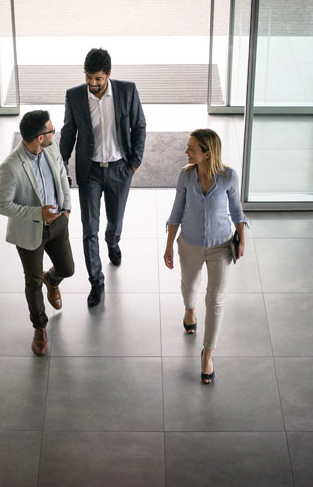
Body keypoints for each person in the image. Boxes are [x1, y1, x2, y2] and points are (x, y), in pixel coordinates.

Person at [60, 48, 146, 307]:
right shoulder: (74, 96)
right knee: (89, 229)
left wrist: (134, 163)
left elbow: (139, 125)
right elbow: (68, 133)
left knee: (115, 221)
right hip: (90, 172)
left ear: (108, 74)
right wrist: (61, 165)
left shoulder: (127, 91)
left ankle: (113, 241)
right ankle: (96, 282)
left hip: (121, 169)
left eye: (97, 78)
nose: (92, 83)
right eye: (88, 77)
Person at [163, 129, 246, 384]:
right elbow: (176, 211)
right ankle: (190, 309)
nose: (186, 152)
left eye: (191, 149)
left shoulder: (229, 177)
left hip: (221, 245)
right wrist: (168, 247)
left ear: (207, 153)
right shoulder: (185, 175)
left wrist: (242, 238)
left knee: (216, 299)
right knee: (189, 287)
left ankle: (208, 354)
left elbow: (236, 210)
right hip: (190, 243)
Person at [0, 110, 75, 356]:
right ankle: (40, 327)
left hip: (58, 223)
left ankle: (51, 280)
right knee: (32, 282)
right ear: (40, 137)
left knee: (67, 269)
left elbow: (62, 175)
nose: (54, 133)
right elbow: (2, 205)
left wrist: (67, 207)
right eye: (50, 130)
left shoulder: (51, 148)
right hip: (30, 231)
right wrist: (36, 213)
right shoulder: (10, 167)